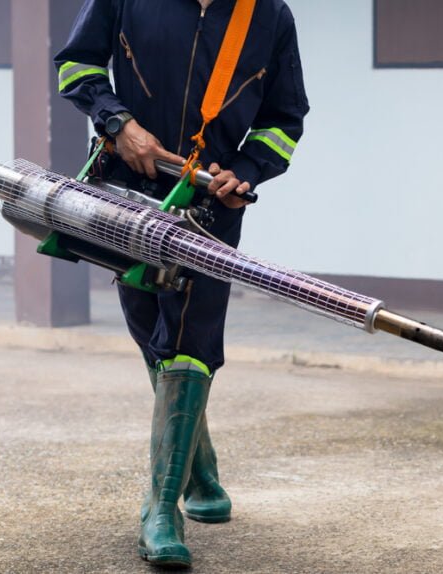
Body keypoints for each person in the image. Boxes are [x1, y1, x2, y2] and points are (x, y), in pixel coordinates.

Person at [54, 0, 309, 567]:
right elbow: (77, 65)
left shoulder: (269, 14)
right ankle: (202, 476)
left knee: (191, 339)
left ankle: (160, 509)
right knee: (149, 328)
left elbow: (284, 118)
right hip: (127, 189)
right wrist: (119, 125)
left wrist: (244, 171)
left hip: (209, 206)